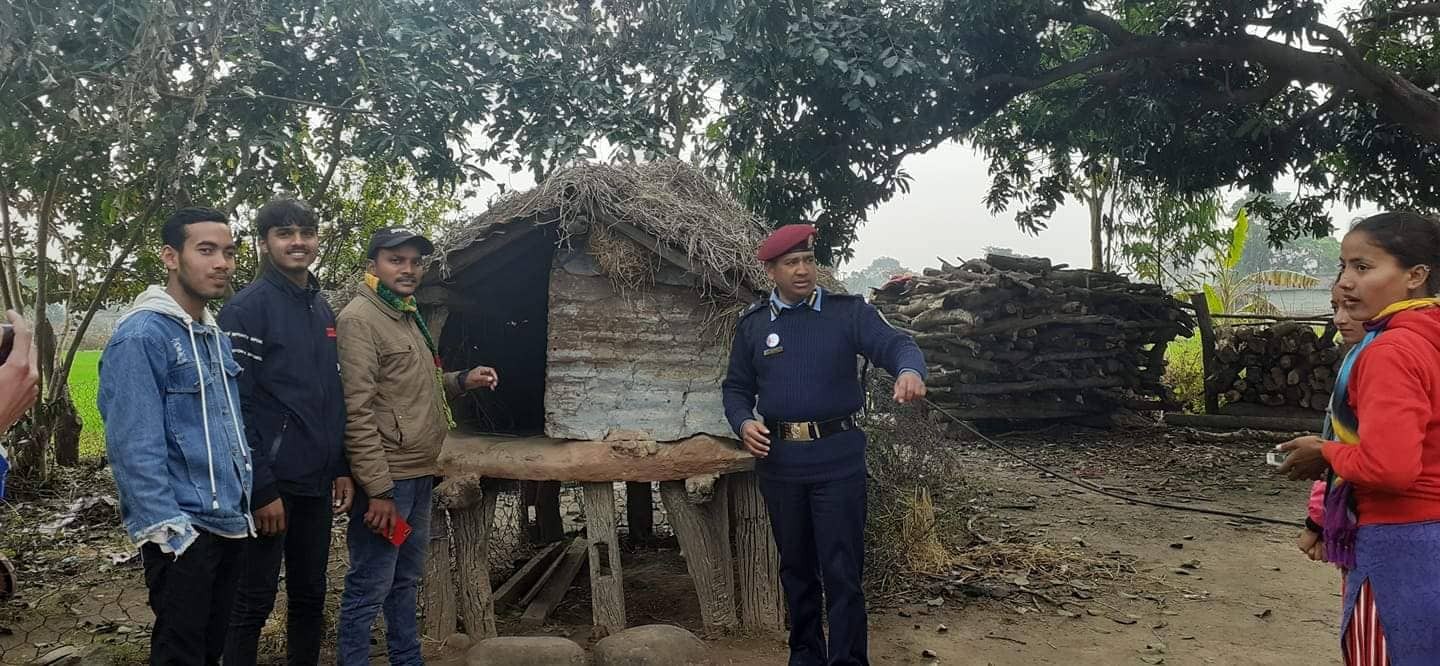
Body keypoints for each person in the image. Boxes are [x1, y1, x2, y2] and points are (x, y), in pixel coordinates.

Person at [722, 224, 927, 666]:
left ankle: (849, 661)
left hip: (837, 460)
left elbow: (896, 344)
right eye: (791, 263)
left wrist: (910, 371)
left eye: (808, 261)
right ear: (772, 271)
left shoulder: (847, 313)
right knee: (796, 570)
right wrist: (742, 422)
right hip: (780, 463)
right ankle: (805, 657)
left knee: (842, 573)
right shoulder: (756, 326)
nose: (802, 270)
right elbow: (736, 388)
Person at [1277, 211, 1440, 664]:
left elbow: (1391, 467)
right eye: (1344, 266)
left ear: (1415, 276)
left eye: (1363, 267)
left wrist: (1325, 451)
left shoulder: (1391, 351)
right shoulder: (1429, 337)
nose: (1346, 282)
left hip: (1402, 545)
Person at [336, 228, 498, 665]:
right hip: (390, 483)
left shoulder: (406, 314)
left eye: (414, 261)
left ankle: (407, 659)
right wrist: (380, 492)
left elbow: (411, 390)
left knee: (405, 579)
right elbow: (358, 410)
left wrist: (462, 380)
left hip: (418, 474)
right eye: (396, 260)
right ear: (373, 266)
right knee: (370, 583)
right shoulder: (359, 320)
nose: (407, 269)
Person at [98, 207, 252, 665]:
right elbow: (133, 446)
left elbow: (229, 427)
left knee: (212, 649)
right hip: (184, 532)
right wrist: (170, 534)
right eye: (205, 250)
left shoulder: (213, 336)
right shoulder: (142, 335)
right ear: (170, 256)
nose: (221, 262)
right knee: (181, 653)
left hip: (229, 521)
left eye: (227, 252)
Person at [219, 198, 353, 665]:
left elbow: (330, 395)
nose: (298, 241)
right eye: (284, 233)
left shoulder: (322, 308)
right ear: (264, 243)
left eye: (306, 231)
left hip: (316, 480)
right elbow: (236, 407)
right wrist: (260, 488)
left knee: (311, 595)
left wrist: (340, 465)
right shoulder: (245, 310)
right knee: (252, 601)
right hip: (270, 484)